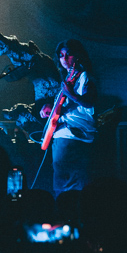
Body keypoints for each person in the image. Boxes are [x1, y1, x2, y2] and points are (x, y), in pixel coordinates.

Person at [40, 39, 97, 194]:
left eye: (68, 54)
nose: (64, 59)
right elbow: (68, 106)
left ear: (78, 56)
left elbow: (89, 102)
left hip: (73, 135)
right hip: (64, 134)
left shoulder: (86, 76)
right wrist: (50, 109)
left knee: (66, 184)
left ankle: (66, 214)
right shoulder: (68, 78)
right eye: (61, 55)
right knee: (66, 182)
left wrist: (71, 94)